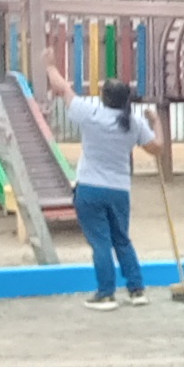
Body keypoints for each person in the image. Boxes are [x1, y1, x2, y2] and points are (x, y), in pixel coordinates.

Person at [45, 41, 162, 311]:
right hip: (119, 190)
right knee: (122, 239)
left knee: (100, 242)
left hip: (90, 188)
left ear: (104, 97)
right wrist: (156, 122)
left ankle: (106, 294)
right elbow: (157, 148)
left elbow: (63, 88)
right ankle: (136, 290)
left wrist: (50, 65)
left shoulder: (91, 113)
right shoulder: (134, 123)